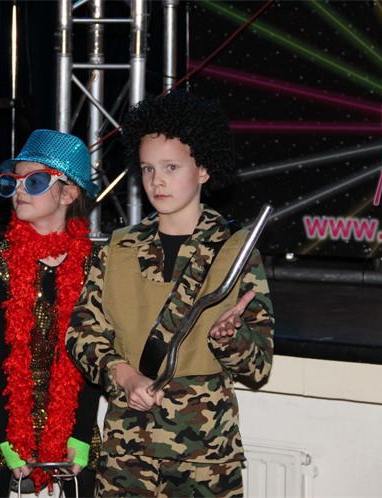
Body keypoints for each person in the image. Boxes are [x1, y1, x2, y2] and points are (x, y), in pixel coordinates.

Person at [66, 92, 275, 497]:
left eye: (171, 167)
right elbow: (82, 334)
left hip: (204, 458)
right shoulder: (118, 247)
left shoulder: (236, 251)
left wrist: (229, 338)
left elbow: (258, 367)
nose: (156, 180)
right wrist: (123, 374)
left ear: (204, 169)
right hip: (126, 456)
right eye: (147, 168)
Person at [0, 130, 102, 497]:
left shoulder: (93, 263)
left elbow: (92, 357)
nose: (20, 190)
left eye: (35, 181)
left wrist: (80, 435)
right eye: (12, 182)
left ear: (68, 194)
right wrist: (7, 439)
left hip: (72, 407)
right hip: (1, 408)